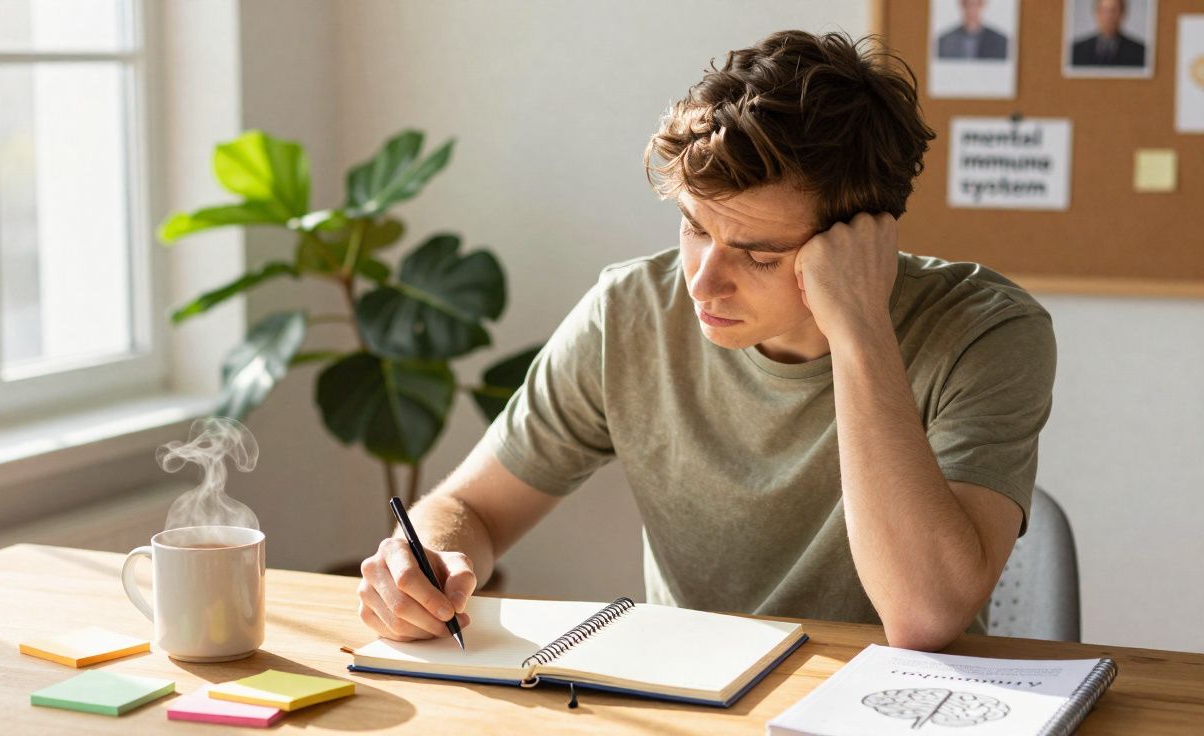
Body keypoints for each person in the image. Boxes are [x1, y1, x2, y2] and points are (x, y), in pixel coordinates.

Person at [356, 30, 1056, 653]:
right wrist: (425, 561)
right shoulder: (629, 312)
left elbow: (924, 616)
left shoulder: (984, 332)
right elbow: (473, 508)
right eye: (694, 227)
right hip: (693, 702)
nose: (702, 282)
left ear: (857, 242)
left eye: (757, 254)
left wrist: (862, 329)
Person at [1071, 0, 1146, 67]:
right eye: (1104, 10)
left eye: (1113, 10)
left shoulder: (1141, 52)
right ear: (1096, 13)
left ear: (1122, 14)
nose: (1109, 16)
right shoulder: (1076, 50)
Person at [937, 0, 1009, 60]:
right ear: (962, 6)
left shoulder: (999, 41)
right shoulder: (945, 41)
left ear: (981, 6)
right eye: (968, 5)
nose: (971, 10)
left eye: (975, 5)